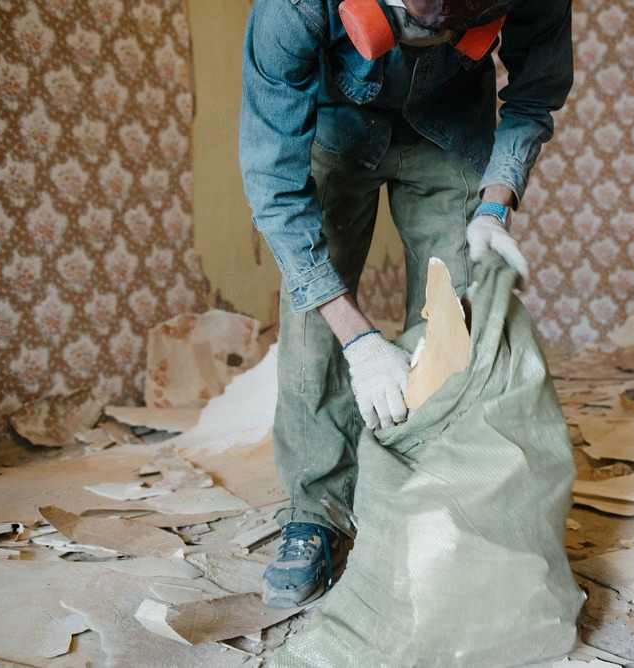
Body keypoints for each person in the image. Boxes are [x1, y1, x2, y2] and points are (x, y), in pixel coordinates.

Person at [239, 0, 573, 608]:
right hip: (332, 129)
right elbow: (274, 185)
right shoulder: (291, 10)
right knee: (316, 317)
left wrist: (496, 206)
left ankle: (440, 498)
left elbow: (533, 95)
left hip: (449, 129)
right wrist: (359, 340)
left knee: (457, 316)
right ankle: (316, 508)